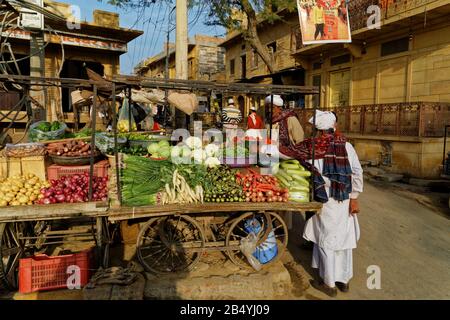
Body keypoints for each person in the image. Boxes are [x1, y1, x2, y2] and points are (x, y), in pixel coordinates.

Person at [299, 110, 363, 297]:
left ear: (318, 131)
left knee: (327, 239)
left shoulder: (315, 149)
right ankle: (344, 280)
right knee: (344, 238)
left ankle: (329, 283)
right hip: (344, 198)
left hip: (326, 199)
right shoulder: (347, 146)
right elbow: (357, 173)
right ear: (333, 128)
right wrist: (354, 196)